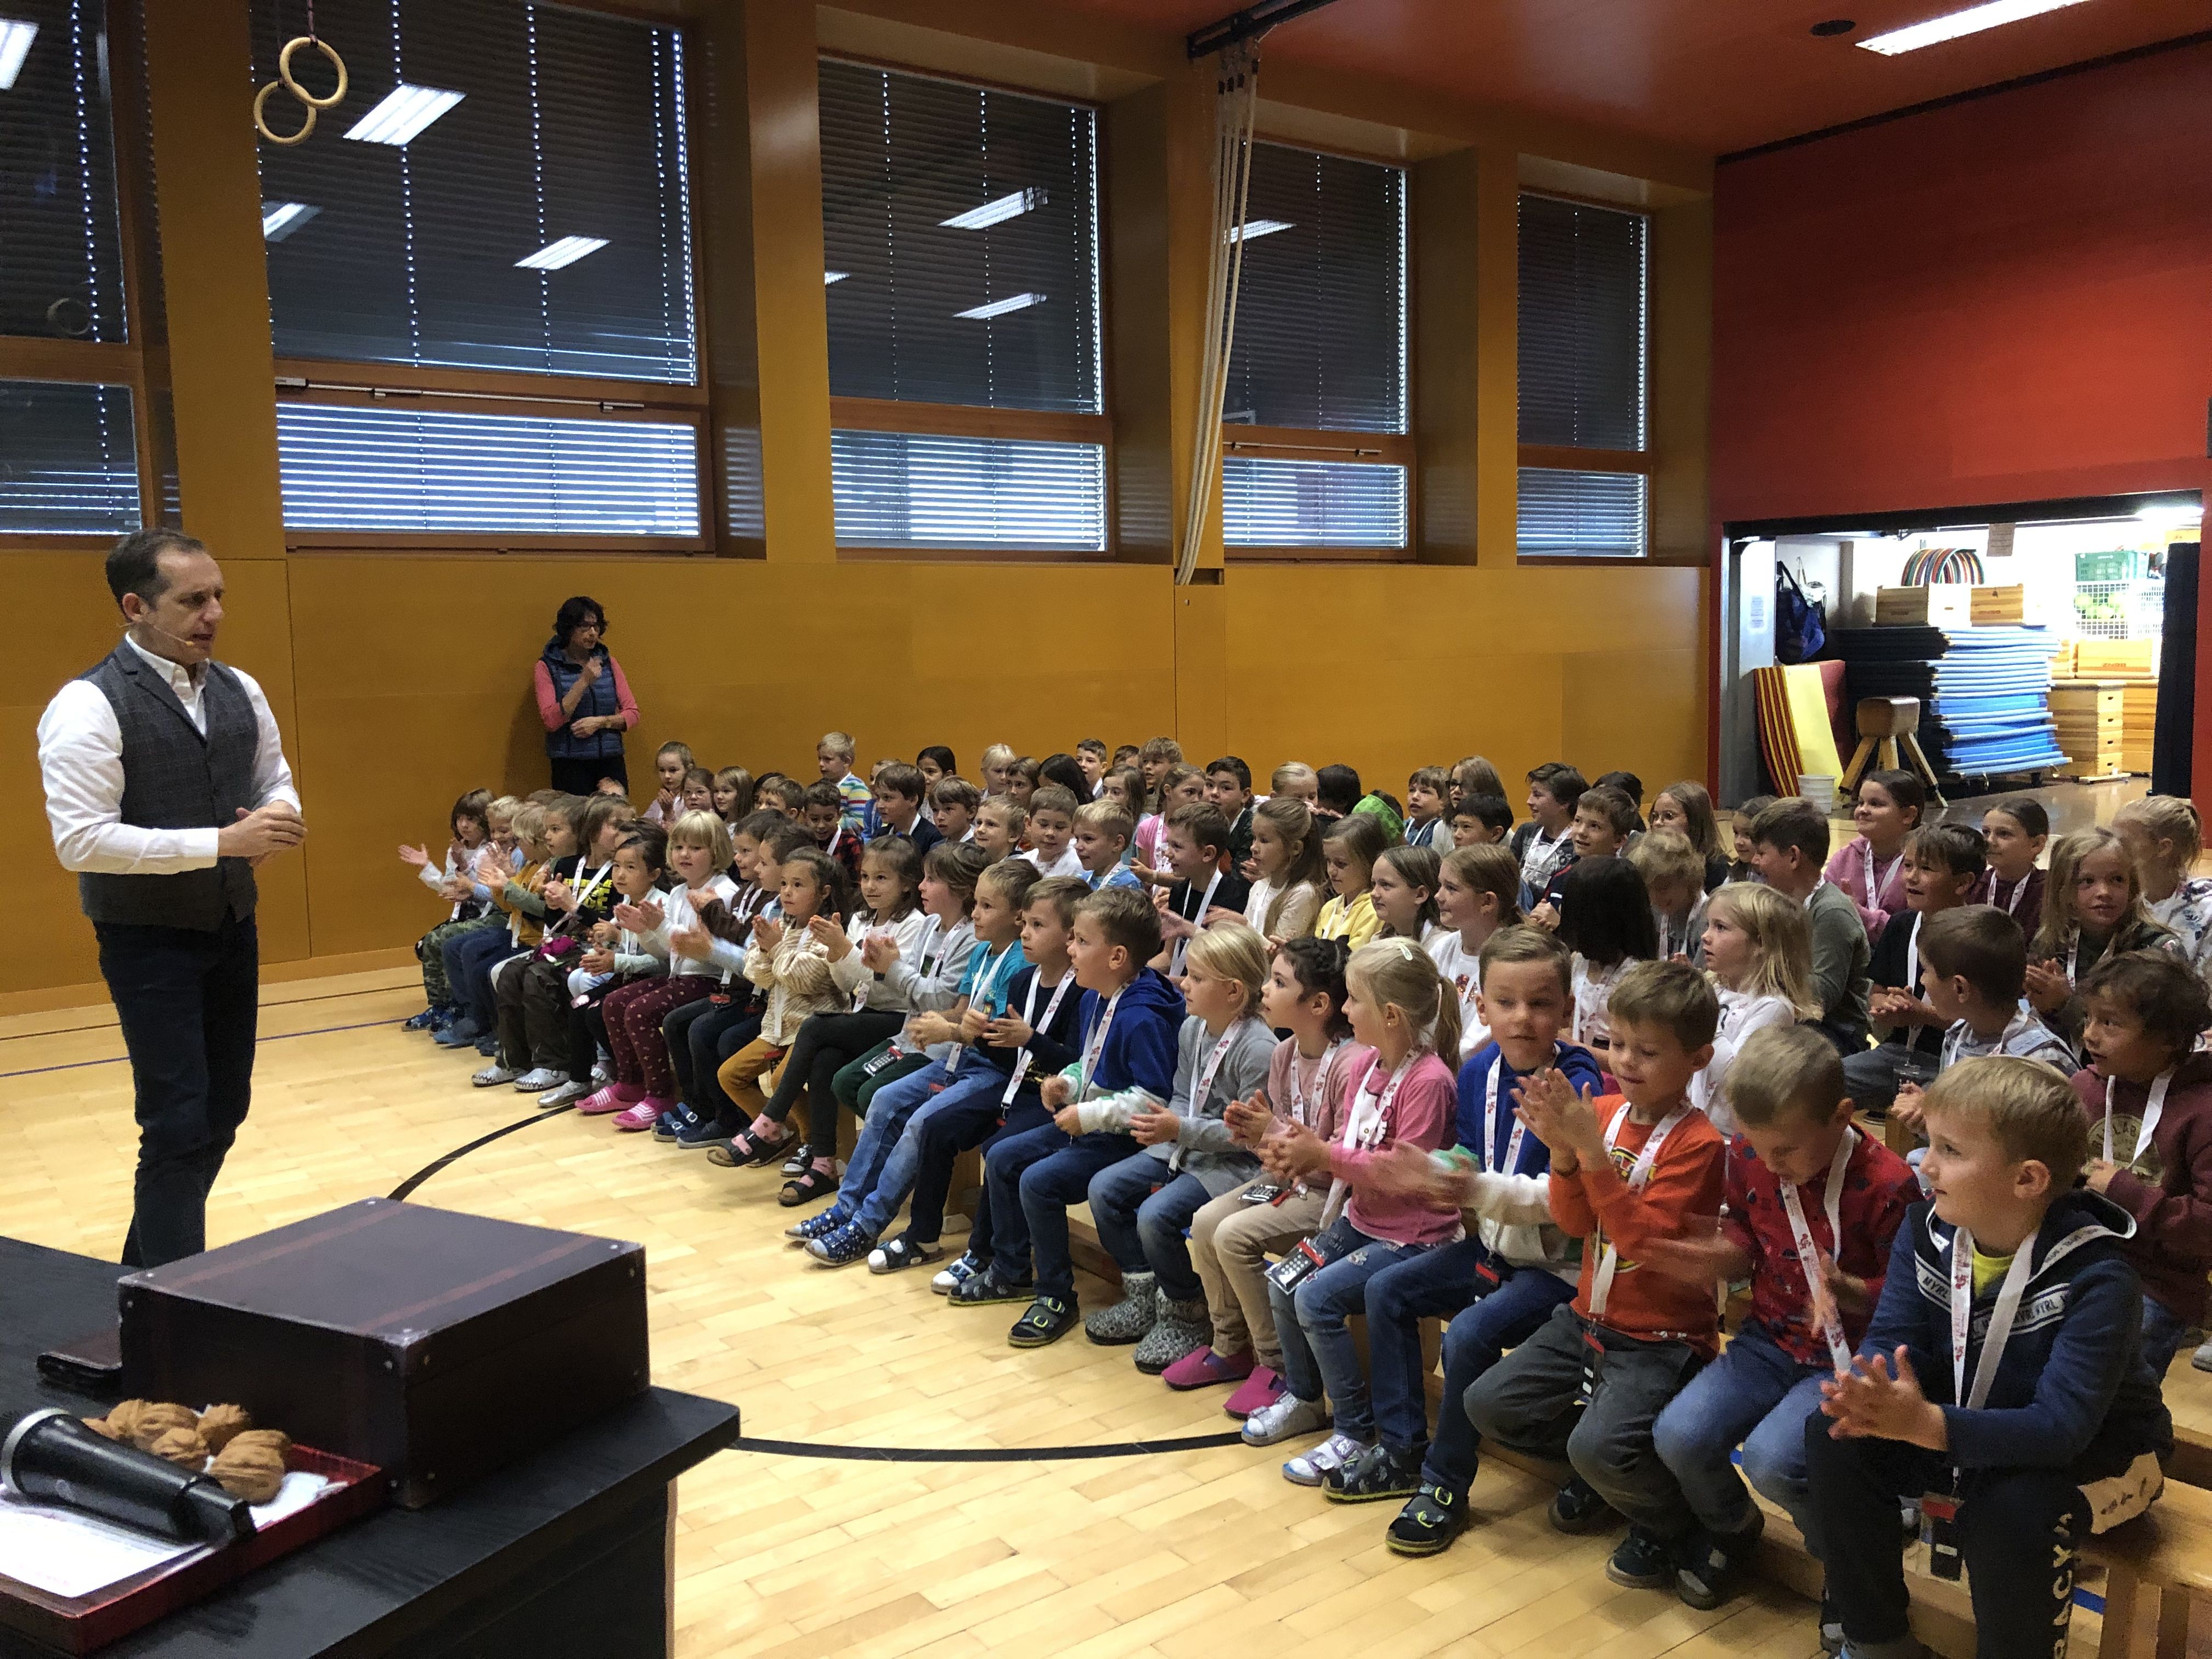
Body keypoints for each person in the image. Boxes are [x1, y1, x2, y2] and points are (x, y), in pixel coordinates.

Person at [1805, 1057, 2169, 1659]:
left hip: (2104, 1456)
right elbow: (1892, 1338)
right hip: (1974, 1426)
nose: (1925, 1164)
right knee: (1836, 1434)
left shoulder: (2101, 1275)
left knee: (2012, 1511)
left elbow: (2061, 1430)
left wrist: (1928, 1425)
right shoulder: (1926, 1229)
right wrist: (1875, 1392)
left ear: (2027, 1180)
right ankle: (1877, 1643)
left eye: (1949, 1150)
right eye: (1930, 1144)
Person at [36, 528, 306, 1268]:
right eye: (193, 600)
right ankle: (177, 1301)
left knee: (222, 1110)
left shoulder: (240, 687)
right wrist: (221, 843)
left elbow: (274, 779)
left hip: (232, 924)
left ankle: (143, 1279)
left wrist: (278, 816)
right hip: (146, 939)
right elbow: (81, 842)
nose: (214, 613)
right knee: (176, 1122)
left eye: (218, 595)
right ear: (136, 607)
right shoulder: (87, 704)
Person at [1458, 960, 1727, 1591]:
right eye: (1618, 1042)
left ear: (1698, 1058)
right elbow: (1575, 1221)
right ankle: (1611, 1478)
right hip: (1589, 1318)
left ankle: (1675, 1522)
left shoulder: (1700, 1144)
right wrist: (1562, 1155)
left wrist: (1589, 1152)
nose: (1626, 1060)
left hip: (1660, 1339)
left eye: (1648, 1051)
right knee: (1487, 1404)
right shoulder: (1600, 1111)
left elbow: (1638, 1240)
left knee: (1597, 1448)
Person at [1647, 1026, 1917, 1611]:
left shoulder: (1890, 1184)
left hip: (1854, 1359)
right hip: (1769, 1341)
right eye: (1758, 1146)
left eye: (1788, 1150)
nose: (1772, 1164)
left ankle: (1850, 1571)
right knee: (1679, 1437)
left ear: (1843, 1116)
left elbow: (1912, 1298)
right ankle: (1733, 1531)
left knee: (1773, 1463)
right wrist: (1712, 1257)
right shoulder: (1750, 1156)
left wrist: (1847, 1290)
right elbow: (1746, 1234)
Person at [1344, 927, 1600, 1526]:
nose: (1522, 1017)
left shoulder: (1581, 1086)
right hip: (1491, 1247)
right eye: (1506, 1002)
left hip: (1557, 1269)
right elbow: (1470, 1156)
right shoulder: (1478, 1070)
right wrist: (1436, 1169)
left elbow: (1566, 1201)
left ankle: (1445, 1485)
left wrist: (1469, 1186)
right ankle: (1403, 1448)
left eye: (1540, 1003)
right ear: (1481, 1006)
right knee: (1387, 1290)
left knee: (1468, 1334)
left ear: (1567, 1009)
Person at [1240, 940, 1462, 1484]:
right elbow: (1344, 1143)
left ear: (1390, 1015)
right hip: (1361, 1221)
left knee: (1316, 1298)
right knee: (1284, 1281)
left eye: (1354, 1000)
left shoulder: (1430, 1081)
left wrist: (1322, 1155)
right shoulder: (1363, 1063)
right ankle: (1304, 1397)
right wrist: (1290, 1146)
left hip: (1414, 1237)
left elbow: (1400, 1172)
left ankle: (1354, 1431)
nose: (1344, 1009)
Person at [956, 887, 1182, 1347]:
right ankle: (1011, 1271)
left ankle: (1056, 1297)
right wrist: (1067, 1082)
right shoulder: (1096, 996)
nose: (1070, 948)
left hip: (1130, 1139)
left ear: (1116, 957)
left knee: (1039, 1181)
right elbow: (1089, 1061)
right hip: (1095, 1123)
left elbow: (1152, 1100)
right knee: (1002, 1156)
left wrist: (1088, 1113)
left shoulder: (1144, 1015)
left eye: (1080, 940)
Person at [1171, 938, 1356, 1413]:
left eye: (1278, 982)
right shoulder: (1284, 1053)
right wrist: (1254, 1136)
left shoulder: (1350, 1064)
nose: (1265, 990)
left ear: (1318, 1004)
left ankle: (1276, 1363)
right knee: (1206, 1222)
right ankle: (1230, 1346)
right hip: (1288, 1180)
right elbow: (1272, 1143)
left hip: (1333, 1195)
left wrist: (1270, 1135)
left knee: (1233, 1236)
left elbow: (1341, 1157)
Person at [1084, 924, 1276, 1372]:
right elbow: (1182, 1096)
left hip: (1232, 1165)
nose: (1183, 983)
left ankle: (1187, 1310)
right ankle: (1145, 1294)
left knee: (1156, 1216)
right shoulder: (1192, 1028)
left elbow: (1246, 1136)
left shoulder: (1259, 1048)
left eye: (1196, 977)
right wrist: (1164, 1128)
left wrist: (1179, 1129)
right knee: (1104, 1189)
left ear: (1233, 991)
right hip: (1183, 1145)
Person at [889, 876, 1091, 1279]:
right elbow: (1008, 1055)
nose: (1025, 933)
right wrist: (976, 1034)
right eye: (1025, 923)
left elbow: (1078, 1062)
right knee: (938, 1125)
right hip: (1013, 1085)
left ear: (1071, 935)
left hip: (1053, 1098)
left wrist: (1030, 1039)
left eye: (1037, 925)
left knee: (999, 1148)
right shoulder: (1023, 980)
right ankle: (922, 1236)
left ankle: (982, 1252)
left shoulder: (1083, 991)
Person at [2073, 949, 2212, 1378]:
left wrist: (2127, 1194)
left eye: (2110, 1023)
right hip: (2076, 1257)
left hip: (2156, 1283)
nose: (2090, 1035)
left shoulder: (2204, 1110)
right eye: (2088, 1018)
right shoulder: (2084, 1088)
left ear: (2168, 1038)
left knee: (2114, 1389)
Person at [1889, 905, 2076, 1154]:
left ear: (1960, 989)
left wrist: (1938, 1118)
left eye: (1927, 971)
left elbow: (2028, 1153)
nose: (1922, 980)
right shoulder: (1958, 1034)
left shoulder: (2040, 1061)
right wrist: (1928, 1113)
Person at [1844, 822, 1985, 1120]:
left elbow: (1984, 1021)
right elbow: (1877, 991)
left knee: (1933, 1114)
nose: (1911, 876)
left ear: (1963, 883)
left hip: (1951, 1062)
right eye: (1907, 865)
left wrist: (1922, 1015)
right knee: (1816, 1084)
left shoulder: (1980, 937)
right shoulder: (1901, 924)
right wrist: (1886, 1007)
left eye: (1926, 868)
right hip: (1895, 1054)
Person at [2025, 826, 2182, 1053]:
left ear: (2133, 887)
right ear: (2064, 891)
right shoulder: (2051, 942)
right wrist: (2046, 1008)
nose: (2104, 892)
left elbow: (2148, 1041)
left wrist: (2065, 1005)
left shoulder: (2158, 950)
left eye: (2117, 879)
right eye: (2087, 881)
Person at [1692, 882, 1819, 1135]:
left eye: (1720, 927)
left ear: (1761, 943)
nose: (1706, 936)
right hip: (1694, 1121)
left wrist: (1700, 1016)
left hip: (1730, 1136)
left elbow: (1735, 1075)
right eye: (1708, 925)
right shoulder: (1713, 988)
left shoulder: (1773, 1007)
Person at [1747, 797, 1871, 1055]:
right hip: (1795, 1024)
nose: (1755, 861)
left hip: (1835, 1036)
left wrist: (1754, 971)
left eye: (1762, 853)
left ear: (1793, 857)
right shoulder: (1782, 903)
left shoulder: (1832, 912)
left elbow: (1820, 997)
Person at [1427, 842, 1523, 1059]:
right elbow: (1420, 1010)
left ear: (1487, 902)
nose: (1438, 896)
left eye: (1451, 888)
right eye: (1440, 885)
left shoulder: (1512, 962)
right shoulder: (1444, 947)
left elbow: (1476, 1046)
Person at [533, 595, 637, 793]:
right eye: (584, 626)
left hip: (610, 760)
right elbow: (551, 721)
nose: (592, 633)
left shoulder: (609, 663)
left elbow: (632, 714)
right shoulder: (547, 666)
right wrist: (583, 682)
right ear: (568, 629)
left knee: (615, 811)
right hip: (570, 763)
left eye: (596, 626)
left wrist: (600, 722)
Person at [2114, 794, 2212, 975]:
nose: (2112, 849)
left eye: (2123, 843)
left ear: (2163, 848)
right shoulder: (2114, 899)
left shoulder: (2207, 914)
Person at [1825, 769, 1926, 944]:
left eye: (1875, 804)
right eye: (1860, 803)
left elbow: (1918, 931)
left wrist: (1857, 913)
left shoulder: (1927, 864)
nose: (1863, 810)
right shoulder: (1844, 858)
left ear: (1908, 815)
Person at [1152, 802, 1251, 978]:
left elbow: (1225, 966)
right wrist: (1135, 973)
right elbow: (1169, 956)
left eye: (1177, 846)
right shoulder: (1179, 891)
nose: (1168, 853)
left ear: (1208, 854)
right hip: (1183, 985)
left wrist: (1188, 929)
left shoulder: (1234, 898)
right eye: (1169, 845)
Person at [1239, 797, 1325, 944]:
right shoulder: (1259, 886)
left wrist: (1243, 925)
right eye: (1254, 838)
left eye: (1264, 840)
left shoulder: (1302, 894)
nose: (1253, 847)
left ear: (1295, 848)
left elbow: (1280, 952)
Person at [1971, 793, 2046, 937]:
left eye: (2004, 834)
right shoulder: (1975, 884)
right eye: (1986, 832)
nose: (1990, 841)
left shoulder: (2050, 892)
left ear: (2036, 844)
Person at [1511, 763, 1585, 893]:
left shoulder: (1579, 843)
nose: (1529, 801)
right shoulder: (1526, 831)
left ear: (1564, 802)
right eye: (1531, 794)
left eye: (1537, 795)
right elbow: (1505, 873)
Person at [1315, 814, 1386, 947]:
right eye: (1328, 861)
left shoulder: (1374, 910)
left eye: (1341, 864)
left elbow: (1354, 957)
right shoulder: (1329, 908)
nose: (1331, 871)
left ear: (1370, 863)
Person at [1650, 781, 1730, 893]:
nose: (1657, 823)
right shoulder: (1651, 859)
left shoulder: (1716, 869)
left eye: (1669, 816)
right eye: (1655, 816)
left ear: (1694, 821)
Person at [1370, 845, 1442, 945]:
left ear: (1420, 895)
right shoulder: (1377, 940)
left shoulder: (1441, 945)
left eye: (1386, 885)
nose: (1373, 893)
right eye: (1374, 884)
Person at [1071, 799, 1142, 891]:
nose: (1078, 846)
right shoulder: (1081, 880)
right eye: (1077, 839)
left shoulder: (1127, 884)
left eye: (1088, 839)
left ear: (1117, 843)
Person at [871, 763, 941, 854]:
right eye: (878, 798)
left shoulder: (933, 838)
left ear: (912, 800)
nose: (880, 805)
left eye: (887, 798)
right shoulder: (880, 835)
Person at [1020, 785, 1084, 879]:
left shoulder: (1078, 866)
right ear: (1029, 824)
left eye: (1060, 827)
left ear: (1073, 829)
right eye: (1044, 825)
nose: (1050, 833)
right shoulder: (1023, 862)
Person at [1204, 757, 1257, 867]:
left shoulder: (1253, 830)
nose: (1214, 793)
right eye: (1210, 785)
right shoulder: (1199, 822)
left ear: (1245, 795)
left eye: (1226, 788)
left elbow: (1240, 875)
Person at [817, 731, 873, 832]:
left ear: (846, 762)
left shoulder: (856, 787)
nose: (821, 764)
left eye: (827, 759)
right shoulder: (820, 785)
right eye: (820, 759)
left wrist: (828, 821)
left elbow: (861, 823)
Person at [1403, 767, 1451, 850]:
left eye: (1425, 792)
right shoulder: (1403, 826)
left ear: (1444, 800)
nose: (1415, 797)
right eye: (1412, 790)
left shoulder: (1445, 831)